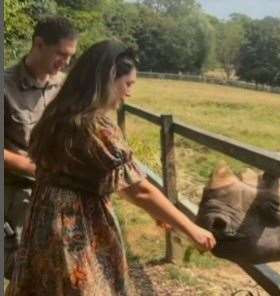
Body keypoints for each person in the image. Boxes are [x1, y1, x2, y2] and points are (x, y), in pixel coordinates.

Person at [6, 40, 216, 296]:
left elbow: (116, 182)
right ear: (107, 79)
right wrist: (192, 229)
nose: (129, 93)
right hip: (76, 228)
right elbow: (140, 190)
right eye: (127, 84)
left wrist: (158, 213)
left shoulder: (57, 114)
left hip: (43, 220)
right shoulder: (96, 125)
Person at [4, 16, 78, 279]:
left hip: (60, 197)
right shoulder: (5, 87)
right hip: (17, 200)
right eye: (61, 53)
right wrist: (38, 169)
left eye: (71, 55)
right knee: (21, 273)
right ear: (38, 44)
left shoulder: (65, 86)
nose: (66, 61)